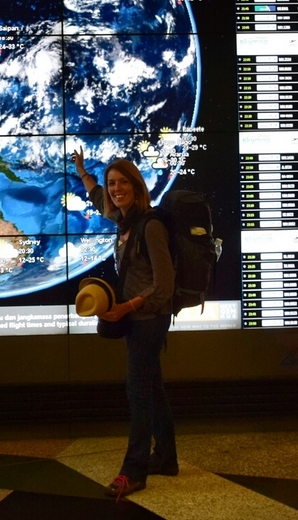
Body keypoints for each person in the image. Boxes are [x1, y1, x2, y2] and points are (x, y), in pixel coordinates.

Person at [72, 148, 178, 500]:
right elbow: (98, 197)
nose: (116, 189)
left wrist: (126, 307)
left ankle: (134, 472)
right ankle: (166, 458)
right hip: (136, 318)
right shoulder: (124, 221)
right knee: (153, 387)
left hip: (148, 320)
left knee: (139, 392)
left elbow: (164, 285)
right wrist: (83, 172)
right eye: (111, 183)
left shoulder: (151, 226)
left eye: (122, 183)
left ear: (137, 186)